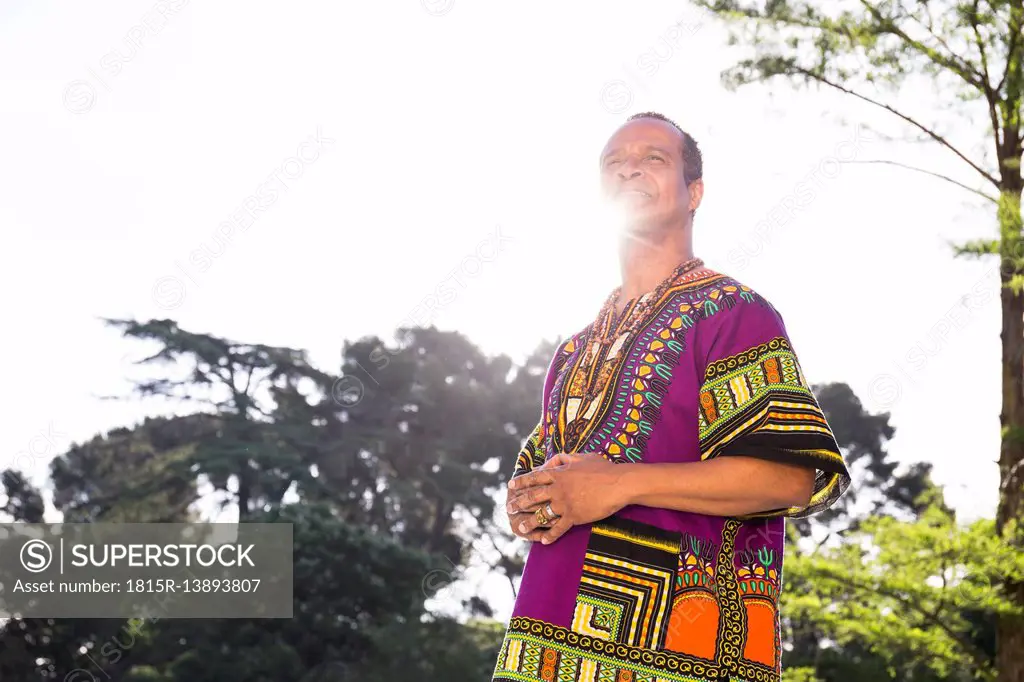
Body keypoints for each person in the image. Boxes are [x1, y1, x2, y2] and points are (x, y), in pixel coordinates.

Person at [492, 112, 851, 682]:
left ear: (695, 194)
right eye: (614, 161)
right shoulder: (573, 351)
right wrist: (530, 504)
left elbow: (791, 478)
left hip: (680, 651)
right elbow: (553, 492)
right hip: (542, 647)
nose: (629, 167)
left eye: (653, 158)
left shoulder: (734, 313)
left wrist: (621, 483)